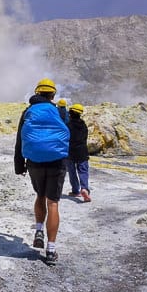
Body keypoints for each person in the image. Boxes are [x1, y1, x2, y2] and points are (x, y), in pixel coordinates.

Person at [14, 78, 69, 265]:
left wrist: (19, 165)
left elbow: (20, 140)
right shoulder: (60, 112)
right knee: (53, 203)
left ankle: (39, 230)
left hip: (34, 162)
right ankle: (51, 251)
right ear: (53, 94)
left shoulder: (28, 111)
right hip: (56, 162)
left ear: (37, 93)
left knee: (40, 195)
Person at [66, 103, 92, 202]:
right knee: (83, 171)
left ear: (71, 113)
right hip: (82, 152)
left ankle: (75, 191)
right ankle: (84, 188)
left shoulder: (67, 125)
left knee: (72, 172)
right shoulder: (83, 125)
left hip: (70, 152)